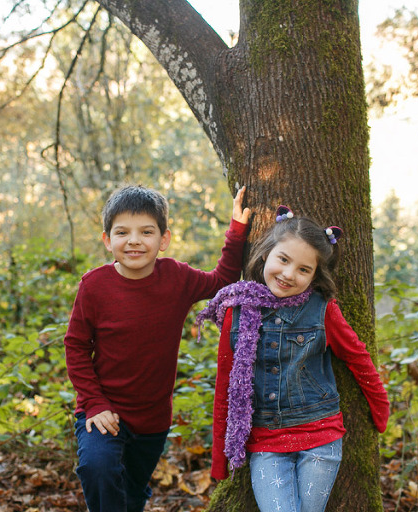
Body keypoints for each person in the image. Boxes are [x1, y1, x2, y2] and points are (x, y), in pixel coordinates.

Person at [64, 184, 251, 512]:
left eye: (146, 232)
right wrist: (94, 403)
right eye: (122, 232)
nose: (134, 240)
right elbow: (76, 346)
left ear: (163, 239)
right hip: (101, 411)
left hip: (152, 419)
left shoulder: (177, 278)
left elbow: (222, 281)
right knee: (98, 469)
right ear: (107, 240)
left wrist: (236, 231)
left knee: (132, 495)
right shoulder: (94, 286)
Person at [196, 205, 390, 512]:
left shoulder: (322, 309)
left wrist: (380, 408)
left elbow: (358, 358)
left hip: (320, 437)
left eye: (303, 269)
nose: (288, 274)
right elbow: (226, 388)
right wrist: (220, 458)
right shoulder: (238, 312)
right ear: (265, 255)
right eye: (283, 260)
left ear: (315, 275)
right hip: (266, 442)